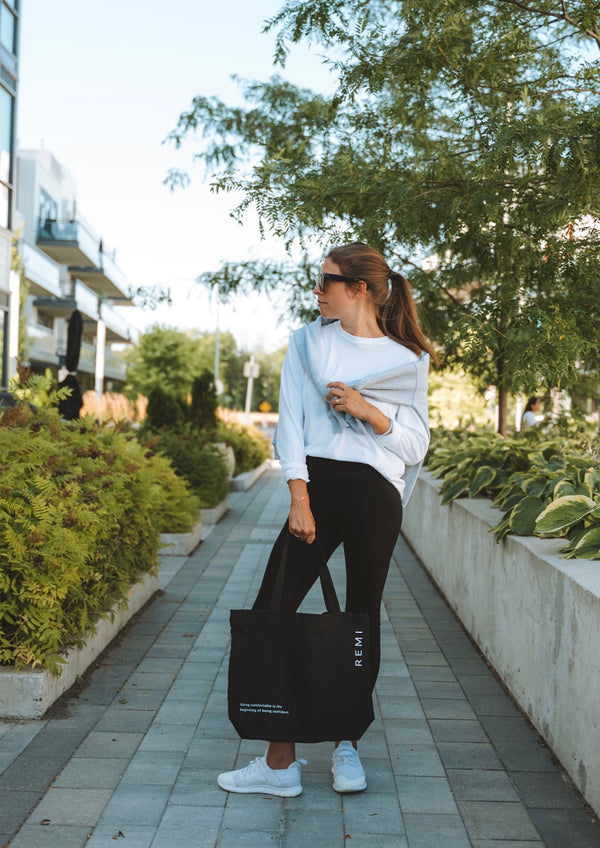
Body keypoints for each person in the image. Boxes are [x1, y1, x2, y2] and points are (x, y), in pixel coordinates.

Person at [218, 242, 435, 798]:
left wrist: (368, 410)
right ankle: (279, 762)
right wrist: (298, 497)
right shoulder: (309, 342)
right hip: (315, 487)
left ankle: (347, 747)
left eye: (327, 281)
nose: (317, 291)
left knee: (361, 618)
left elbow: (415, 445)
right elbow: (289, 424)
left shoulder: (408, 359)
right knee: (273, 606)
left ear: (358, 288)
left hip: (374, 494)